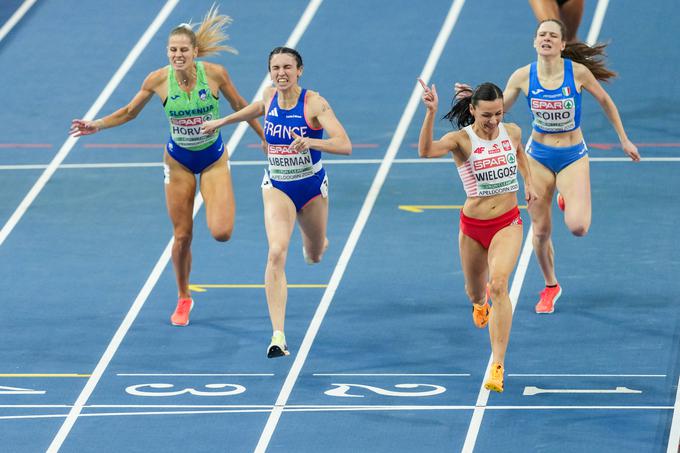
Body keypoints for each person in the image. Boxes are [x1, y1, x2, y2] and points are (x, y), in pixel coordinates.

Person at [70, 6, 265, 327]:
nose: (178, 55)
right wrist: (97, 124)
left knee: (221, 232)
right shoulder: (157, 80)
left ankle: (190, 283)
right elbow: (130, 112)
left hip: (213, 158)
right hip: (178, 163)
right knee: (182, 236)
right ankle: (184, 297)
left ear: (195, 52)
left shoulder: (215, 74)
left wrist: (264, 138)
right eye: (172, 50)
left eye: (183, 50)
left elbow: (240, 106)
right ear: (167, 52)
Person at [202, 46, 352, 358]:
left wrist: (311, 140)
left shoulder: (314, 103)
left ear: (299, 71)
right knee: (275, 252)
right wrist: (221, 123)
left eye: (287, 67)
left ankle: (316, 242)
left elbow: (344, 144)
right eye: (275, 68)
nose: (281, 73)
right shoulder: (270, 96)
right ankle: (278, 335)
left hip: (310, 187)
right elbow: (255, 109)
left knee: (314, 255)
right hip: (278, 186)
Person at [501, 18, 640, 314]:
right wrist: (471, 101)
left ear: (563, 45)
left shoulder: (577, 72)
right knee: (539, 231)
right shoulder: (522, 77)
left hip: (573, 155)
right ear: (535, 42)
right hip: (537, 156)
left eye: (552, 35)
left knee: (578, 227)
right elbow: (498, 110)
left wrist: (624, 139)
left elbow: (606, 101)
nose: (546, 38)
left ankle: (565, 195)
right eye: (541, 34)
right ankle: (551, 286)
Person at [417, 79, 537, 393]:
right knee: (475, 293)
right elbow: (426, 151)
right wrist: (430, 113)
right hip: (473, 227)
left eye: (498, 113)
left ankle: (497, 364)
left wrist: (528, 182)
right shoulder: (461, 140)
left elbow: (520, 153)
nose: (494, 121)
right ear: (472, 111)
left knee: (499, 284)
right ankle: (478, 302)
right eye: (487, 115)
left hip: (508, 223)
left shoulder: (512, 132)